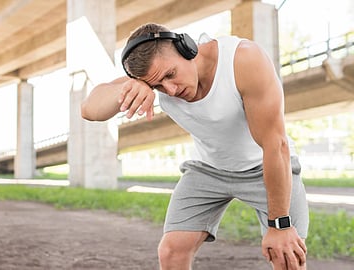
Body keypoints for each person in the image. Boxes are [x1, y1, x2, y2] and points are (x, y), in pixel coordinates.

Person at [81, 22, 309, 270]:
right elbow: (89, 109)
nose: (170, 90)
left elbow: (275, 145)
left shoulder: (243, 60)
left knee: (287, 256)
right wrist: (131, 87)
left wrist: (280, 224)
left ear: (187, 48)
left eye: (170, 75)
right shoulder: (154, 76)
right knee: (171, 252)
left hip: (265, 165)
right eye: (157, 86)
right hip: (207, 169)